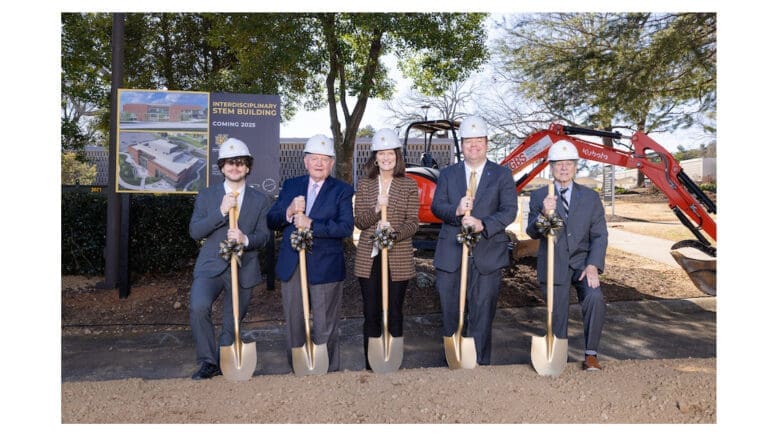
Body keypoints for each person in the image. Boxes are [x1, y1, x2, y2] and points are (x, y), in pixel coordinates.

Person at [431, 115, 518, 365]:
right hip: (451, 255)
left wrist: (483, 224)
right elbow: (438, 206)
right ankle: (454, 359)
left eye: (478, 141)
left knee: (482, 312)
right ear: (461, 145)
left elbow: (509, 210)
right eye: (468, 141)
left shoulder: (502, 174)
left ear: (487, 144)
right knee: (449, 310)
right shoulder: (447, 174)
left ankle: (479, 365)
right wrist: (457, 210)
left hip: (487, 256)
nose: (474, 146)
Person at [267, 134, 354, 372]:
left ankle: (327, 370)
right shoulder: (291, 185)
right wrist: (289, 211)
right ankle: (298, 368)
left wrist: (311, 223)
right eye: (314, 158)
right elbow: (272, 220)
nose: (318, 163)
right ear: (305, 161)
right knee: (295, 321)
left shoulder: (342, 190)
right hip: (293, 264)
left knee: (325, 324)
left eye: (324, 159)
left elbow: (345, 226)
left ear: (331, 163)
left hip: (325, 266)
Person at [188, 137, 272, 380]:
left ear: (247, 167)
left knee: (232, 318)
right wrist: (221, 211)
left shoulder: (260, 200)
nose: (234, 167)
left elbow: (264, 237)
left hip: (243, 266)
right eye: (229, 163)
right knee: (198, 306)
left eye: (240, 163)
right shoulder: (207, 196)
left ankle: (226, 356)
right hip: (210, 266)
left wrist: (245, 239)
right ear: (221, 167)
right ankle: (207, 361)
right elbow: (195, 232)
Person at [526, 139, 608, 371]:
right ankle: (556, 354)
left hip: (583, 264)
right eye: (558, 164)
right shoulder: (539, 196)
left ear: (575, 166)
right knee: (557, 311)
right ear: (550, 168)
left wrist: (593, 265)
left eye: (568, 164)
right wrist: (545, 212)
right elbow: (532, 231)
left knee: (595, 298)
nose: (563, 168)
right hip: (554, 263)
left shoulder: (590, 198)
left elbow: (600, 235)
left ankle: (591, 354)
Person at [353, 128, 419, 370]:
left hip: (397, 256)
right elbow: (359, 221)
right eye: (381, 154)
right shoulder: (365, 184)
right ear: (375, 157)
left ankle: (392, 361)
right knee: (370, 311)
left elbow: (413, 223)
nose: (386, 158)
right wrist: (377, 210)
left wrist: (393, 233)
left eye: (390, 153)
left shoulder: (409, 185)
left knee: (394, 310)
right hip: (368, 258)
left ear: (397, 156)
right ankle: (371, 363)